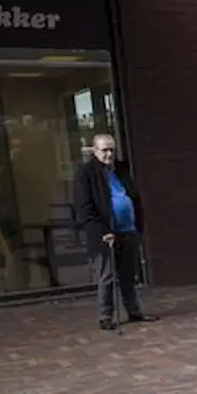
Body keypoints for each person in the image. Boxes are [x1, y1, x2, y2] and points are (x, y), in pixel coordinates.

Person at [73, 134, 157, 330]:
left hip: (128, 230)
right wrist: (103, 231)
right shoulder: (86, 174)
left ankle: (134, 311)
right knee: (107, 276)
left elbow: (133, 196)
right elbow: (85, 207)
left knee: (128, 275)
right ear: (95, 151)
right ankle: (106, 316)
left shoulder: (121, 169)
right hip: (104, 234)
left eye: (111, 149)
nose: (109, 154)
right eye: (104, 150)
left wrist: (138, 223)